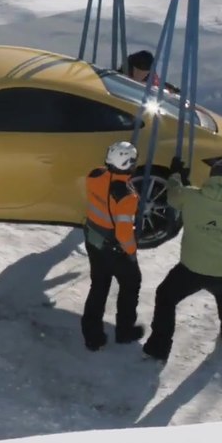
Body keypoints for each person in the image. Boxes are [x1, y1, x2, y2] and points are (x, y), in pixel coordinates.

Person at [142, 157, 222, 362]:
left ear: (211, 177)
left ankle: (158, 348)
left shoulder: (191, 196)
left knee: (165, 297)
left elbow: (173, 196)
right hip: (221, 272)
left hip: (190, 270)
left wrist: (176, 175)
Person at [80, 140, 145, 351]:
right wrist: (131, 252)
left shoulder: (94, 175)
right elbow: (124, 232)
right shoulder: (126, 197)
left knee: (98, 286)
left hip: (92, 239)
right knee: (131, 284)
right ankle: (125, 331)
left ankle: (92, 335)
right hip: (113, 249)